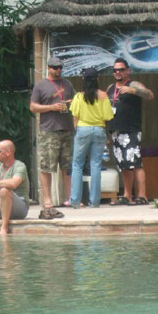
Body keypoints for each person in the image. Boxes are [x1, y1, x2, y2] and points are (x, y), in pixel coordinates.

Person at [30, 55, 75, 219]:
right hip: (49, 130)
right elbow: (33, 107)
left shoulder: (67, 83)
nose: (58, 70)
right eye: (55, 67)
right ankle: (48, 199)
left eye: (60, 67)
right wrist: (51, 107)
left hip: (67, 129)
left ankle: (71, 198)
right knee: (47, 166)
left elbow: (75, 102)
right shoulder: (41, 85)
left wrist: (70, 103)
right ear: (49, 68)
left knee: (67, 166)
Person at [106, 57, 154, 205]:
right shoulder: (110, 88)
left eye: (121, 69)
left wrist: (133, 91)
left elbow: (150, 95)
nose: (118, 72)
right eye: (115, 70)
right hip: (115, 130)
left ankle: (142, 195)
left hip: (131, 129)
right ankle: (127, 195)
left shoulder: (133, 84)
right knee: (123, 165)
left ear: (127, 71)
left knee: (136, 163)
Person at [69, 67, 114, 208]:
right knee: (96, 165)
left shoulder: (78, 96)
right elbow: (108, 116)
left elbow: (75, 117)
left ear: (83, 79)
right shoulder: (103, 95)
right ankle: (94, 201)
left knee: (77, 165)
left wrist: (77, 131)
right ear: (97, 79)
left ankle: (75, 201)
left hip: (82, 129)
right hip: (99, 129)